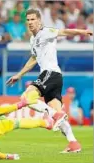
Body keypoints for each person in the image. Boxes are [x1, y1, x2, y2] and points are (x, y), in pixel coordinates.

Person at [6, 8, 93, 153]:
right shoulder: (33, 39)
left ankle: (54, 115)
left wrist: (83, 32)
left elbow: (64, 32)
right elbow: (34, 58)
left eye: (33, 19)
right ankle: (73, 144)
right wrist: (19, 74)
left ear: (39, 20)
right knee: (59, 115)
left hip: (50, 73)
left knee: (26, 97)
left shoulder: (46, 32)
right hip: (54, 77)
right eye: (28, 20)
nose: (30, 22)